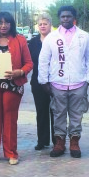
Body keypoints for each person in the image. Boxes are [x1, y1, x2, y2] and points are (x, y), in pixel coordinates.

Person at [38, 6, 89, 158]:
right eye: (63, 16)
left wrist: (88, 80)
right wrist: (43, 81)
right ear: (59, 18)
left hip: (79, 82)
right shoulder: (52, 37)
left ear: (73, 17)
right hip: (58, 82)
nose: (65, 19)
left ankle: (74, 142)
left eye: (68, 16)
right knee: (58, 114)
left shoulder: (84, 37)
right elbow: (44, 60)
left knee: (77, 114)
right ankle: (60, 142)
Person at [0, 11, 33, 165]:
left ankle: (11, 153)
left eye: (6, 23)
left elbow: (29, 63)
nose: (3, 26)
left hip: (13, 85)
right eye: (0, 23)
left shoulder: (20, 40)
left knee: (10, 119)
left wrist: (20, 72)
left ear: (11, 24)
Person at [29, 13, 55, 150]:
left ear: (50, 25)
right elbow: (28, 60)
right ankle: (42, 140)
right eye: (40, 24)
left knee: (56, 111)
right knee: (41, 111)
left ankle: (58, 141)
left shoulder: (57, 40)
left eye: (45, 23)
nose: (43, 26)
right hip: (37, 81)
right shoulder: (33, 42)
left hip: (55, 81)